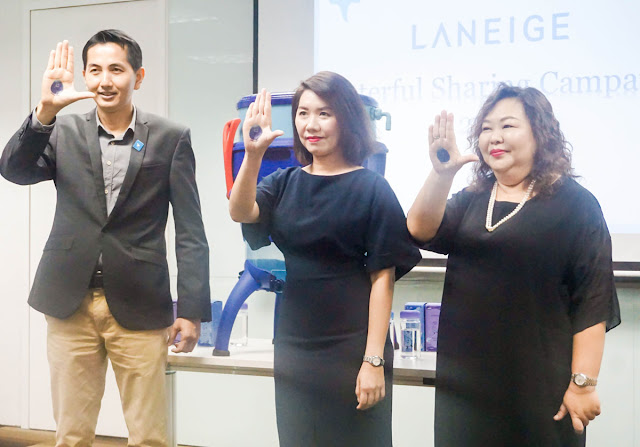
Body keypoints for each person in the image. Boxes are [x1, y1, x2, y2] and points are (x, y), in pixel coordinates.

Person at [0, 30, 210, 446]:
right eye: (94, 70)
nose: (105, 81)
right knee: (71, 434)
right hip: (69, 301)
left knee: (148, 435)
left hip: (140, 303)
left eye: (116, 69)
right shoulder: (62, 130)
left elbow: (190, 231)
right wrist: (44, 113)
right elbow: (14, 170)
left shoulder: (170, 137)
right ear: (84, 76)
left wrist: (191, 310)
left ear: (138, 76)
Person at [407, 83, 621, 446]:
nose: (495, 137)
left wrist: (583, 385)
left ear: (540, 133)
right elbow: (419, 229)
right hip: (466, 382)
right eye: (486, 128)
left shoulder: (576, 205)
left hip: (538, 385)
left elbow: (593, 301)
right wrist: (442, 175)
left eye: (508, 126)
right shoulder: (474, 197)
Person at [229, 72, 421, 446]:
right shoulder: (284, 182)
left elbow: (382, 280)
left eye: (324, 113)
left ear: (346, 119)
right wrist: (252, 155)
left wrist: (373, 360)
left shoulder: (372, 188)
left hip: (353, 345)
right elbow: (241, 211)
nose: (311, 125)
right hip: (294, 344)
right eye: (303, 113)